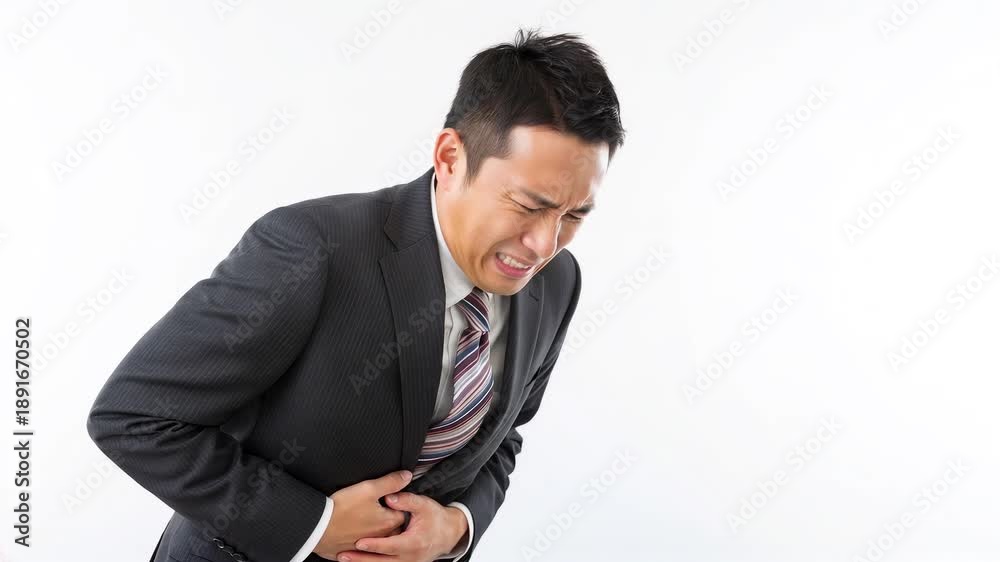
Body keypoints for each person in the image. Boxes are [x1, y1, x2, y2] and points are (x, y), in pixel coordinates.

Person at [86, 28, 624, 562]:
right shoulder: (312, 249)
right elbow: (133, 418)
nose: (544, 245)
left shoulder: (558, 282)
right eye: (529, 206)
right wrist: (310, 524)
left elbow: (504, 435)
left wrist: (456, 527)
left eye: (574, 215)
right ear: (450, 158)